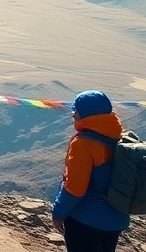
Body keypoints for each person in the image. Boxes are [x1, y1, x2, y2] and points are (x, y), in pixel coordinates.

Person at [51, 91, 131, 252]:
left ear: (85, 114)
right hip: (116, 219)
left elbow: (75, 188)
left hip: (85, 221)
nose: (73, 114)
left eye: (76, 110)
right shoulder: (120, 137)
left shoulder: (84, 144)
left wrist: (58, 212)